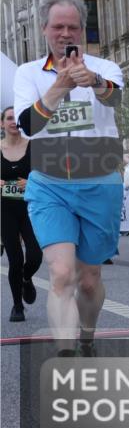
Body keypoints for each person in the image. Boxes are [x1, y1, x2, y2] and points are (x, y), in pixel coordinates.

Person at [12, 0, 125, 356]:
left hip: (99, 181)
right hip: (50, 184)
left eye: (72, 27)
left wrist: (91, 80)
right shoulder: (27, 73)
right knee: (61, 273)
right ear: (44, 29)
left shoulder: (104, 67)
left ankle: (87, 336)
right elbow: (28, 126)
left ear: (82, 30)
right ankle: (65, 354)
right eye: (57, 26)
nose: (65, 33)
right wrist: (60, 86)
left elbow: (116, 99)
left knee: (89, 281)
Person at [1, 106, 41, 322]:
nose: (13, 121)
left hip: (30, 208)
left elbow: (44, 172)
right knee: (15, 260)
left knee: (35, 254)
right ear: (2, 123)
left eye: (16, 118)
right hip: (5, 210)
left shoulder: (33, 146)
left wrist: (31, 182)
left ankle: (27, 278)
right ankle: (17, 306)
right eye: (8, 118)